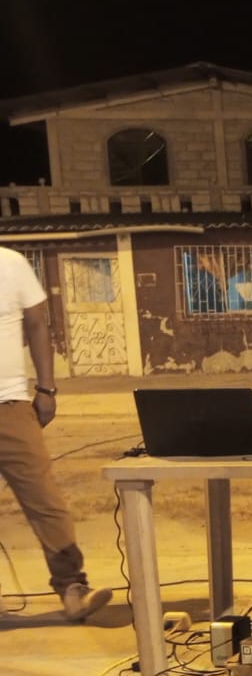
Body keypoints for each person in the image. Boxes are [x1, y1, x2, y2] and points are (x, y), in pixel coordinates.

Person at [0, 247, 111, 622]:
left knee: (44, 499)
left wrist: (46, 388)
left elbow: (37, 325)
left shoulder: (11, 263)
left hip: (9, 404)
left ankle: (72, 587)